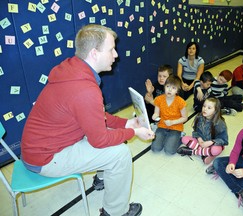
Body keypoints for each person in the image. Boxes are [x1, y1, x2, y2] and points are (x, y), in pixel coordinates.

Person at [21, 24, 155, 216]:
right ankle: (115, 212)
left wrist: (126, 123)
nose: (116, 55)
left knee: (113, 135)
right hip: (45, 158)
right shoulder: (85, 89)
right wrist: (134, 132)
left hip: (42, 146)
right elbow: (99, 140)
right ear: (94, 53)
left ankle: (102, 178)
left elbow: (94, 117)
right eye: (111, 50)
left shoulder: (72, 69)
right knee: (120, 153)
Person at [177, 97, 228, 165]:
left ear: (215, 110)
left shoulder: (220, 123)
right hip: (201, 142)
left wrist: (211, 142)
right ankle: (206, 153)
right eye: (204, 106)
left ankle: (193, 152)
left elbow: (224, 140)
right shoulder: (199, 117)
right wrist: (199, 139)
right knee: (184, 139)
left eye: (209, 108)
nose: (205, 109)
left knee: (215, 150)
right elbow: (196, 131)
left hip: (214, 144)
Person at [151, 75, 188, 155]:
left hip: (176, 127)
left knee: (169, 151)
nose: (170, 90)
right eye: (168, 86)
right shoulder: (159, 99)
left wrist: (172, 122)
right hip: (162, 125)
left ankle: (180, 137)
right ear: (164, 86)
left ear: (177, 90)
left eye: (173, 88)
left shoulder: (181, 102)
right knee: (155, 148)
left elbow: (185, 118)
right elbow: (156, 113)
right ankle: (168, 138)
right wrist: (155, 115)